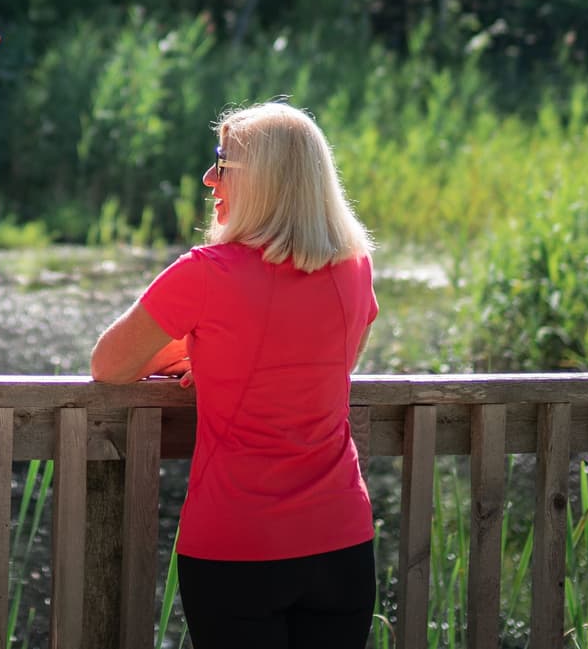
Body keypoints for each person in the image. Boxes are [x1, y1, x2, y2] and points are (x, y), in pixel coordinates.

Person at [90, 101, 378, 649]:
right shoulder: (354, 268)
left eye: (222, 163)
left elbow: (110, 365)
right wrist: (221, 354)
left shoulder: (204, 273)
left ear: (265, 180)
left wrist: (203, 352)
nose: (208, 177)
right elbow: (337, 362)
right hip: (341, 539)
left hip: (239, 546)